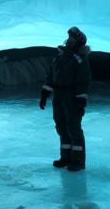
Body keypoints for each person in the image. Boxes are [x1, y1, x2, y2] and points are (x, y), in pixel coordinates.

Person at [39, 27, 91, 172]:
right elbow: (51, 77)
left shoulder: (80, 59)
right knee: (61, 127)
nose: (69, 39)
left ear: (78, 41)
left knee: (73, 128)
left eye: (72, 37)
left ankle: (78, 160)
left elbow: (83, 80)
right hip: (59, 97)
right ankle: (66, 158)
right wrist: (45, 94)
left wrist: (81, 99)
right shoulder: (59, 57)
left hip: (72, 97)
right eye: (69, 37)